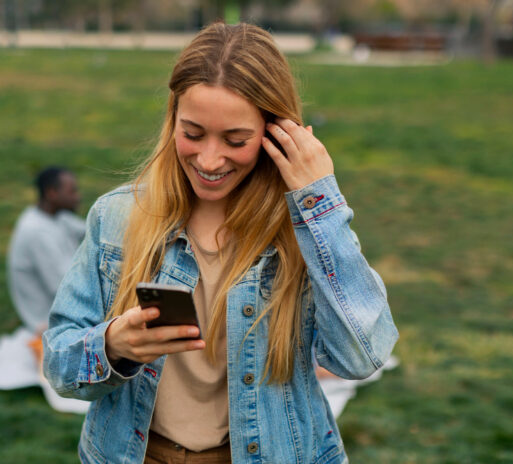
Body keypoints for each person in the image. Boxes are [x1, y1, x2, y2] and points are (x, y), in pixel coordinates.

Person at [43, 23, 398, 464]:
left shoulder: (302, 229)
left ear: (275, 131)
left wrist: (320, 203)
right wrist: (113, 345)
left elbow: (362, 356)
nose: (209, 160)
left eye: (235, 140)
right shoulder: (118, 217)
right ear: (172, 116)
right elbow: (59, 363)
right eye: (192, 134)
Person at [7, 166, 85, 334]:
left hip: (69, 310)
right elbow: (64, 289)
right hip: (52, 323)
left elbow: (91, 231)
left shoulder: (57, 216)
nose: (78, 197)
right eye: (72, 191)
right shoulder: (36, 232)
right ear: (52, 193)